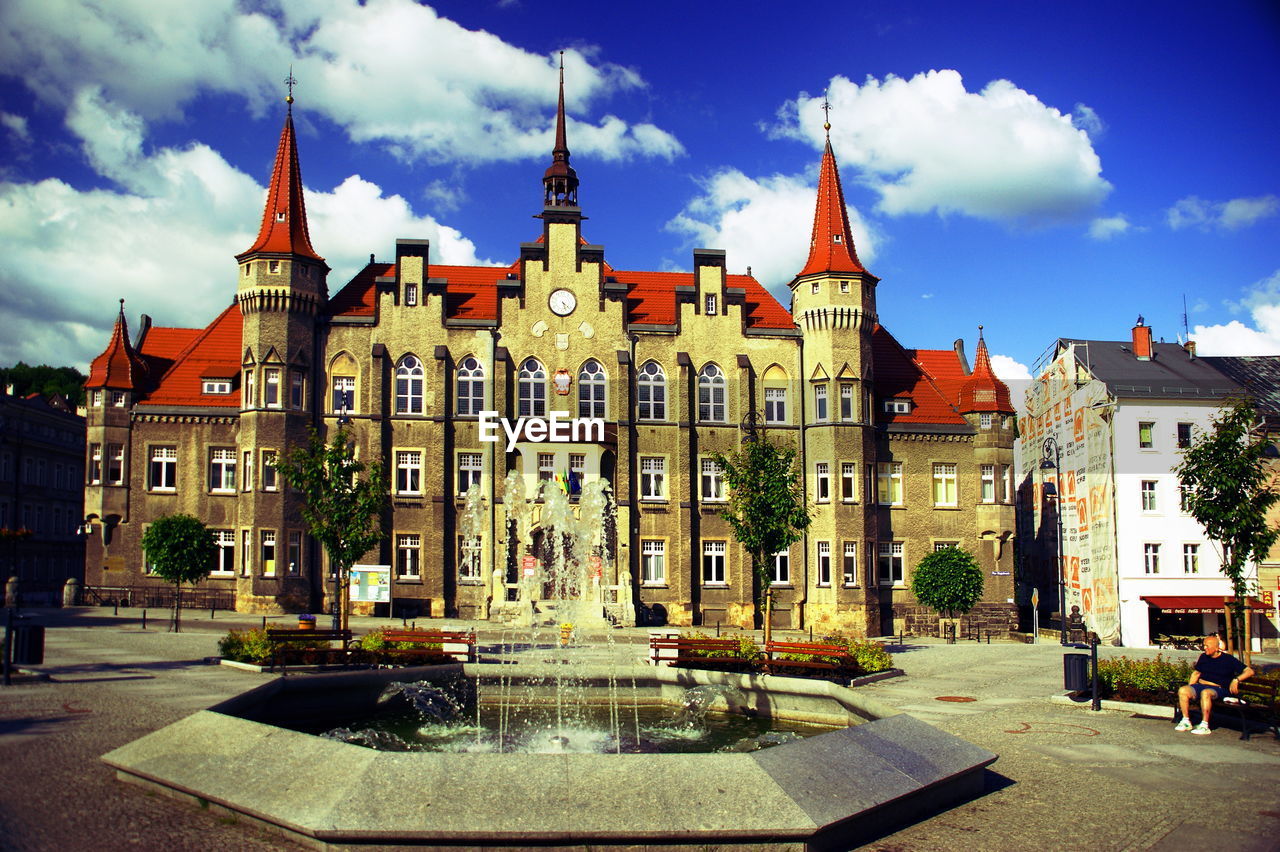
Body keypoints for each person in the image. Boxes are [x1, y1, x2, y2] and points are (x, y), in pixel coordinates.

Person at [1175, 634, 1253, 735]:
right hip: (1202, 685)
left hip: (1219, 689)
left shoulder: (1228, 659)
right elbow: (1196, 673)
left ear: (1216, 648)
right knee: (1183, 690)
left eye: (1207, 646)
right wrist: (1191, 688)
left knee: (1206, 693)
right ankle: (1186, 721)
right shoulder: (1203, 657)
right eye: (1204, 645)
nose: (1205, 648)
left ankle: (1204, 725)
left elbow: (1249, 671)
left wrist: (1237, 680)